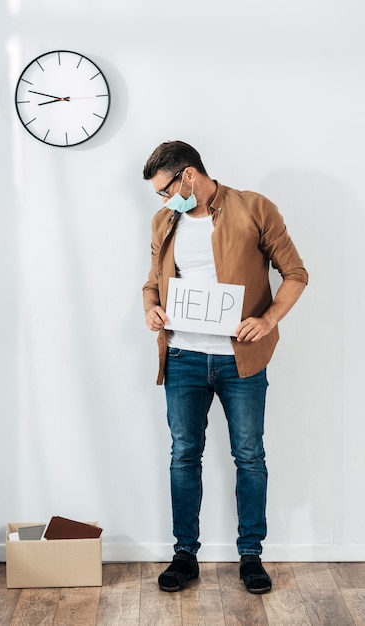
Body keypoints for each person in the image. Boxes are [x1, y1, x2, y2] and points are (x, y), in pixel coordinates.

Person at [142, 140, 308, 594]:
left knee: (249, 456)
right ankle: (184, 555)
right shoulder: (165, 222)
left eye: (166, 190)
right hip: (182, 357)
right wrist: (150, 307)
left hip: (241, 359)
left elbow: (295, 273)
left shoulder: (254, 208)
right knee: (183, 456)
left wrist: (268, 318)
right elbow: (150, 282)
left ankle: (250, 555)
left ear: (189, 176)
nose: (163, 200)